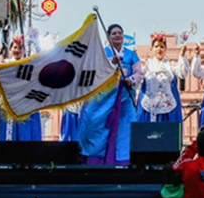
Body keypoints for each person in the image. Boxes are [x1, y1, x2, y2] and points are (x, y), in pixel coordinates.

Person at [79, 23, 143, 165]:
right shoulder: (102, 54)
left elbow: (139, 73)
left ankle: (123, 161)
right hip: (105, 100)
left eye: (120, 33)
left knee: (124, 130)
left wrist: (131, 80)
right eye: (114, 33)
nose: (117, 35)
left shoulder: (131, 55)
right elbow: (95, 72)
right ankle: (99, 161)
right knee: (101, 129)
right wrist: (111, 64)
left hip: (125, 100)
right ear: (108, 36)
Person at [0, 36, 42, 141]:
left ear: (24, 50)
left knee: (24, 135)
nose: (17, 50)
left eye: (20, 48)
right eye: (15, 47)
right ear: (10, 49)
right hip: (9, 105)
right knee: (8, 136)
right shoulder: (5, 64)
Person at [137, 32, 189, 123]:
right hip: (149, 105)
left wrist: (182, 56)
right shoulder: (147, 65)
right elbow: (138, 76)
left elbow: (182, 73)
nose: (159, 49)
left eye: (162, 47)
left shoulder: (170, 65)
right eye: (156, 46)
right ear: (152, 49)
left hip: (168, 106)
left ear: (165, 49)